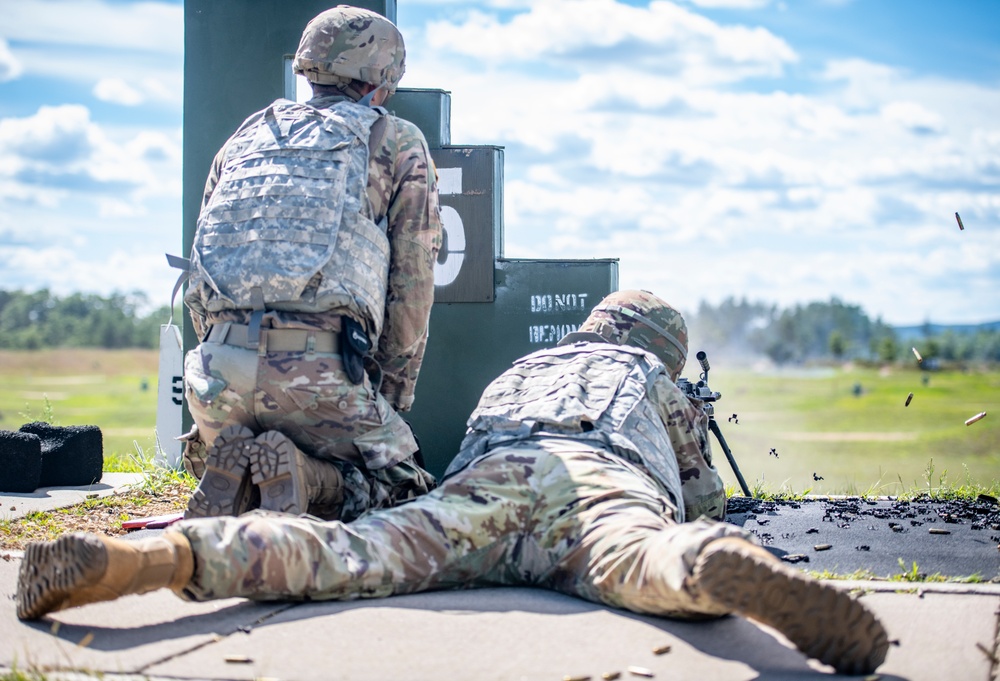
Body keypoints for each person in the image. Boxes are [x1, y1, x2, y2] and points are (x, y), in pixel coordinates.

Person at [16, 291, 888, 675]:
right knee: (649, 557)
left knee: (348, 553)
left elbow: (473, 441)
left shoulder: (525, 367)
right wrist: (697, 500)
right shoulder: (650, 379)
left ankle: (154, 562)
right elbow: (698, 487)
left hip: (489, 483)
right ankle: (707, 568)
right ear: (662, 348)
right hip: (599, 486)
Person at [178, 6, 441, 523]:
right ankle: (304, 476)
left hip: (213, 379)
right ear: (381, 80)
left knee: (240, 443)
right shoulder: (395, 140)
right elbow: (412, 284)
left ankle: (243, 473)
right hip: (318, 377)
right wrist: (387, 393)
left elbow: (199, 272)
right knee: (405, 487)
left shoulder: (247, 137)